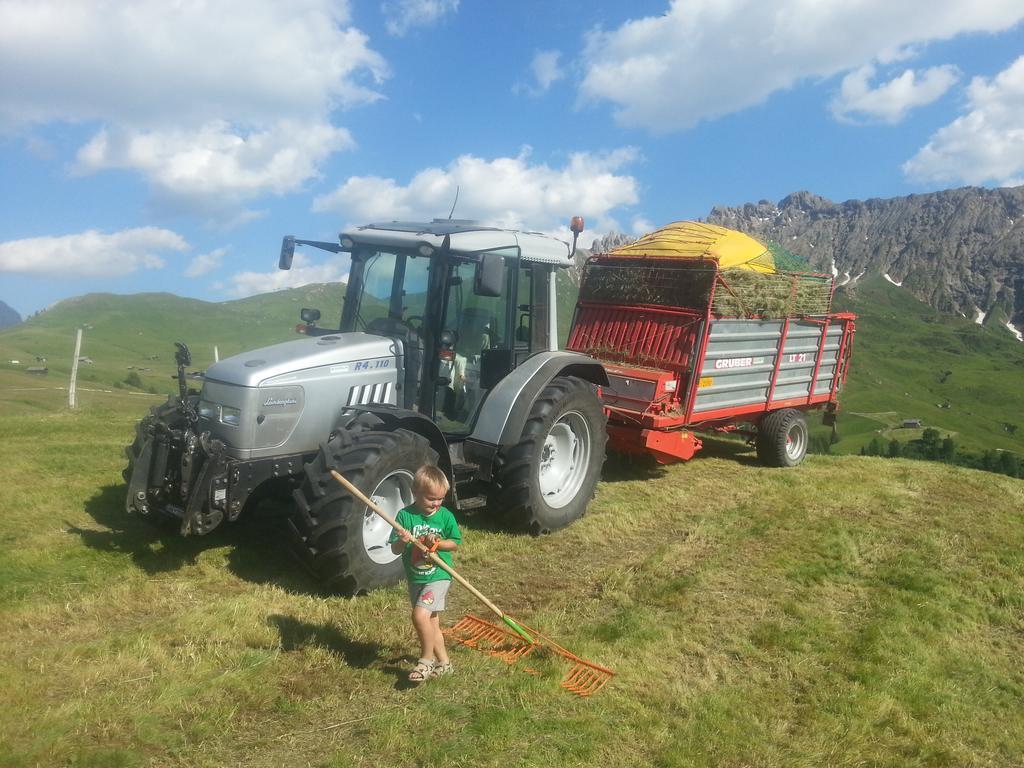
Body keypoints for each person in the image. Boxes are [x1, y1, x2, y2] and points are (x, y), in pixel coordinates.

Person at [389, 464, 462, 682]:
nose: (436, 504)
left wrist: (438, 543)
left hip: (438, 576)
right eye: (431, 498)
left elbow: (455, 543)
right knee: (431, 622)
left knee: (419, 615)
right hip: (415, 577)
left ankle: (426, 661)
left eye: (440, 499)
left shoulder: (445, 516)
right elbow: (395, 549)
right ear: (416, 493)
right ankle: (445, 663)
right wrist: (402, 542)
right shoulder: (404, 516)